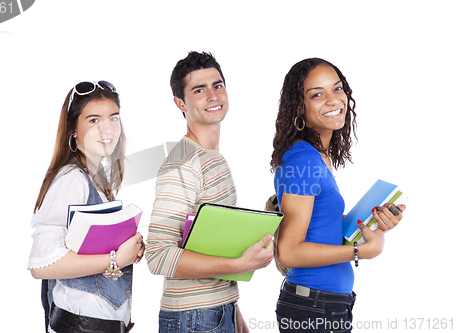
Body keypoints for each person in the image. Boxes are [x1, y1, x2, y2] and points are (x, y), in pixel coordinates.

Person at [270, 58, 405, 333]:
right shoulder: (304, 160)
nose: (334, 100)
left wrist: (370, 225)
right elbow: (289, 251)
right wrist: (361, 251)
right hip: (313, 308)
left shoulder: (315, 156)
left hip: (323, 304)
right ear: (299, 106)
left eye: (337, 89)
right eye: (317, 94)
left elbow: (317, 229)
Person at [146, 51, 274, 333]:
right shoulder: (182, 165)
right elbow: (157, 256)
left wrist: (234, 314)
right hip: (193, 317)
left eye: (217, 85)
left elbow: (210, 245)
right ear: (180, 103)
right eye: (199, 89)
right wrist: (239, 264)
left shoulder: (212, 158)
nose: (213, 95)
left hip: (217, 311)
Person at [27, 80, 145, 333]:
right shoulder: (72, 180)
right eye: (93, 120)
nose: (107, 129)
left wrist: (129, 248)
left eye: (113, 118)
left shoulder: (97, 179)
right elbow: (40, 265)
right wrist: (115, 259)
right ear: (73, 131)